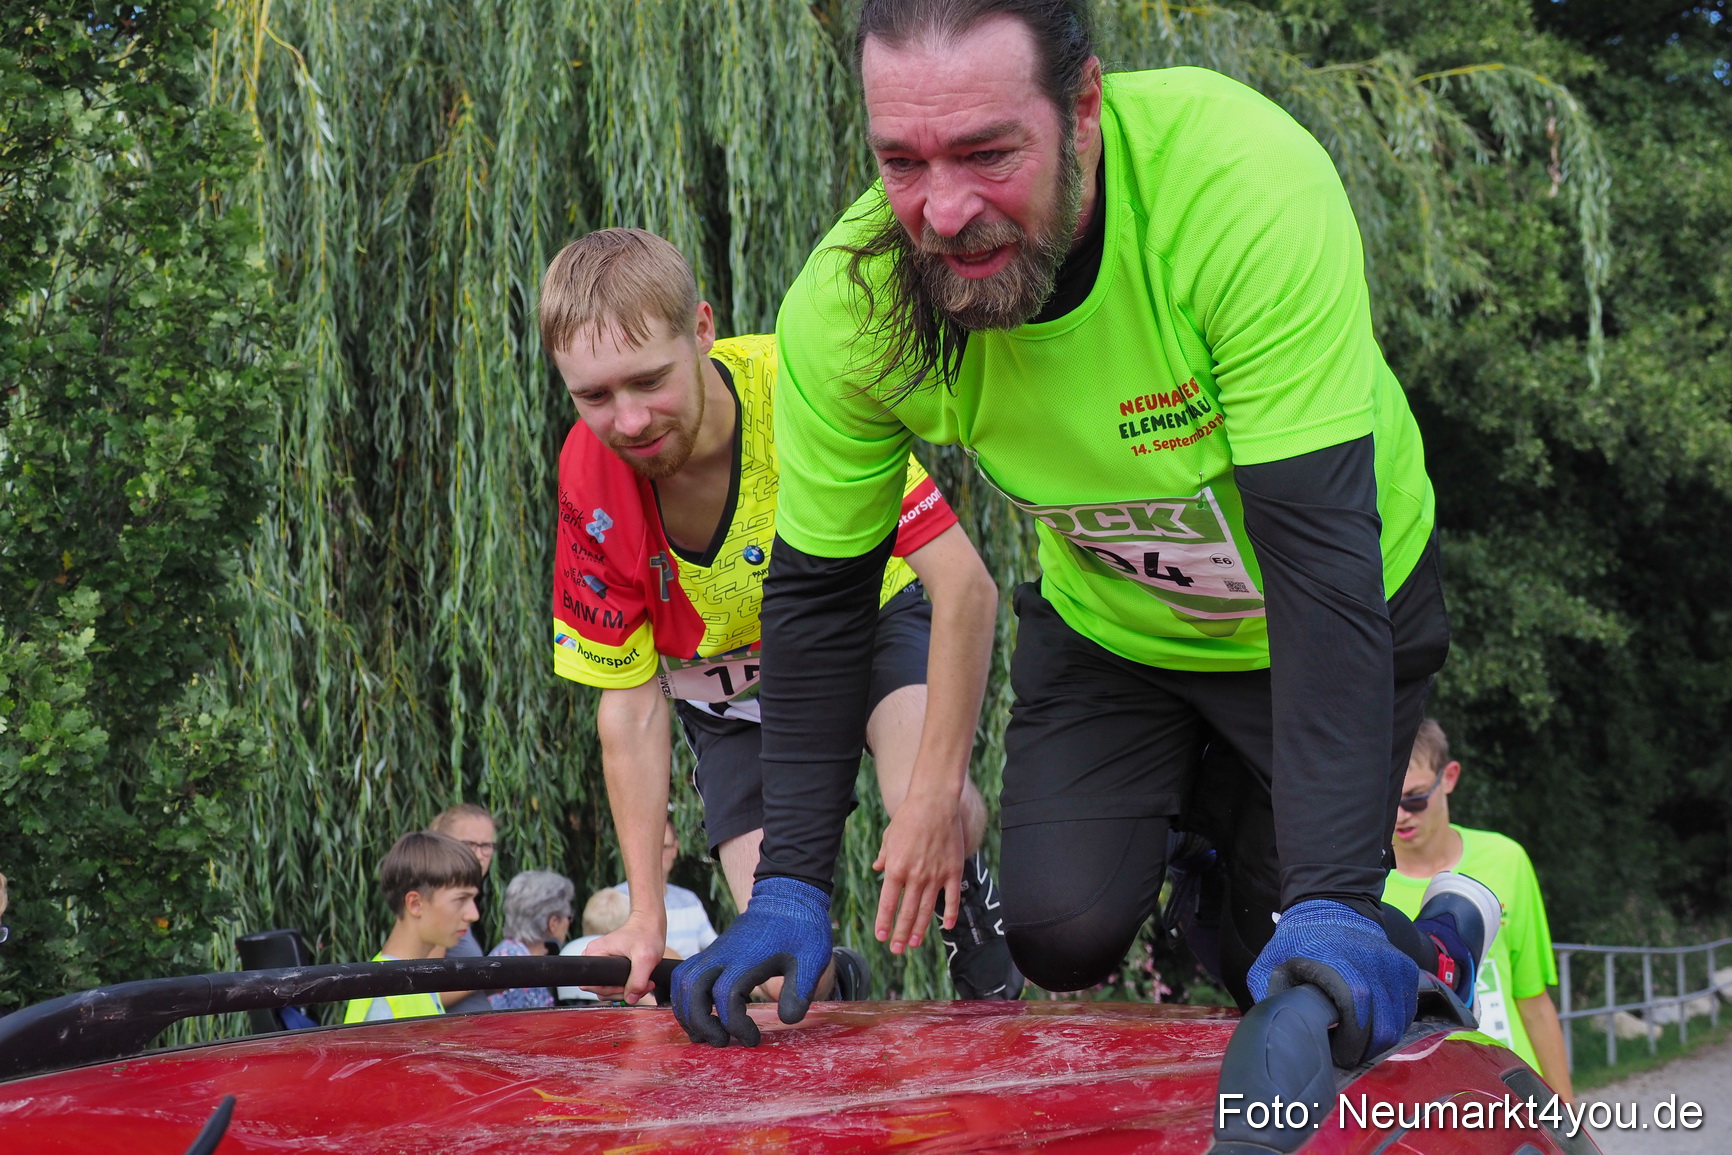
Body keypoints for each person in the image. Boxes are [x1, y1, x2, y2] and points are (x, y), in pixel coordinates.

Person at [672, 0, 1450, 1064]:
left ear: (1083, 108)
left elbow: (1319, 567)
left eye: (988, 153)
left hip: (1320, 604)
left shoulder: (1240, 187)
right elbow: (820, 598)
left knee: (1293, 951)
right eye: (901, 163)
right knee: (1060, 932)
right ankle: (1205, 838)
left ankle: (1431, 937)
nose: (944, 212)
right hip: (1115, 626)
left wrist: (1332, 901)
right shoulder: (850, 305)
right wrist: (790, 885)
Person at [538, 227, 1021, 1008]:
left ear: (702, 329)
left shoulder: (793, 389)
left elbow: (967, 586)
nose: (628, 421)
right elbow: (629, 707)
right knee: (784, 975)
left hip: (860, 621)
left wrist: (936, 799)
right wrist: (645, 915)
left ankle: (976, 916)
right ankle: (841, 976)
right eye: (594, 397)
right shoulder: (589, 476)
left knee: (926, 798)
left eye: (649, 381)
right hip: (727, 693)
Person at [1382, 720, 1573, 1101]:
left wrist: (1567, 1113)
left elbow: (1533, 1001)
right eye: (1388, 802)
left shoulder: (1506, 859)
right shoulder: (1363, 884)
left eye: (1415, 798)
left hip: (1517, 1088)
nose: (1401, 815)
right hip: (1425, 1100)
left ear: (1449, 777)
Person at [342, 831, 481, 1023]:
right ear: (415, 904)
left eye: (472, 899)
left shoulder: (414, 976)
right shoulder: (385, 990)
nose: (473, 914)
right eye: (460, 899)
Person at [612, 817, 718, 961]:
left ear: (675, 849)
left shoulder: (689, 901)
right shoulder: (614, 899)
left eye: (663, 847)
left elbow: (713, 949)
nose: (656, 855)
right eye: (649, 847)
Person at [428, 802, 498, 1013]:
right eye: (469, 844)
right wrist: (486, 975)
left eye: (486, 846)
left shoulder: (462, 900)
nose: (479, 854)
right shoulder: (439, 901)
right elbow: (427, 992)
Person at [486, 870, 577, 1010]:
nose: (568, 923)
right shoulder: (523, 970)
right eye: (569, 917)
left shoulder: (505, 955)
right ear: (553, 923)